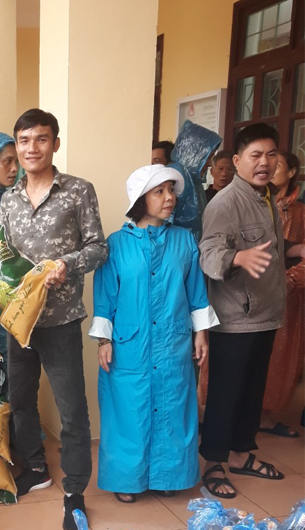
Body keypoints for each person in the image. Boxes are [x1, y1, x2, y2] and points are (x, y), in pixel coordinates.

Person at [0, 108, 107, 530]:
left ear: (55, 144)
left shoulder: (78, 191)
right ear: (17, 146)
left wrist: (68, 263)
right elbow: (3, 255)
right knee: (21, 401)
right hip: (17, 321)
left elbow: (98, 248)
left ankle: (74, 492)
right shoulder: (8, 198)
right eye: (24, 141)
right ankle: (36, 468)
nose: (32, 148)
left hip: (60, 320)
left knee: (72, 410)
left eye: (41, 139)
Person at [89, 165, 218, 503]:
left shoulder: (184, 240)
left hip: (174, 342)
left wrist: (201, 333)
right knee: (128, 411)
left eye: (171, 191)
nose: (169, 198)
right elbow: (105, 297)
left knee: (173, 406)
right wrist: (104, 340)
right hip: (130, 346)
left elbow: (196, 291)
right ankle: (127, 480)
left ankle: (168, 476)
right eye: (159, 192)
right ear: (140, 199)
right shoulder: (116, 245)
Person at [199, 123, 287, 498]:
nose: (264, 162)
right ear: (237, 161)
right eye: (255, 155)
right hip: (235, 317)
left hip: (265, 314)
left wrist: (295, 249)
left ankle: (240, 453)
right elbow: (209, 255)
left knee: (252, 391)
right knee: (226, 393)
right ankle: (214, 463)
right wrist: (238, 257)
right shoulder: (225, 203)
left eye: (271, 154)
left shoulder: (266, 197)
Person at [259, 150, 305, 437]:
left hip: (289, 297)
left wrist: (289, 281)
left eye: (278, 165)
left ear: (291, 173)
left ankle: (265, 416)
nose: (270, 167)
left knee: (279, 357)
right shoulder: (258, 204)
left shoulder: (301, 212)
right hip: (255, 293)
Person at [168, 120, 222, 240]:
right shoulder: (176, 176)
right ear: (193, 153)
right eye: (207, 157)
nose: (209, 164)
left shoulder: (193, 181)